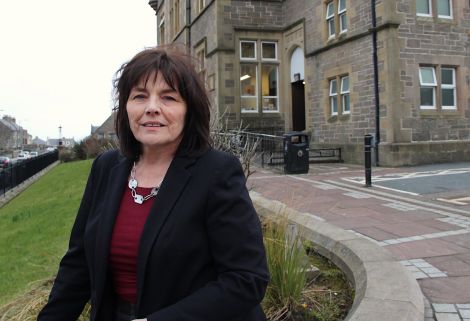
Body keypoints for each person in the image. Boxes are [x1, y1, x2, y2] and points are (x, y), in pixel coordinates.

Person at [37, 46, 269, 321]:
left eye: (168, 98)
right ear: (125, 107)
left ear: (188, 110)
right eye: (140, 96)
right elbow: (79, 265)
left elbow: (246, 278)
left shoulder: (217, 173)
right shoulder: (106, 168)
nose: (152, 108)